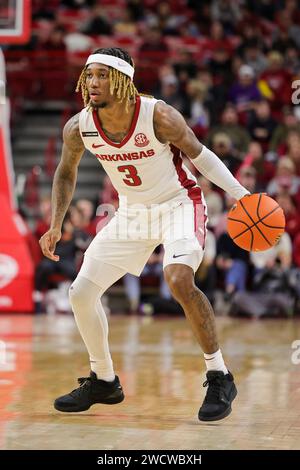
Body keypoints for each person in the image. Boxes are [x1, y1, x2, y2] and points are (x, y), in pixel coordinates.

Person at [39, 47, 250, 421]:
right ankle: (103, 380)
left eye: (102, 75)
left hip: (179, 204)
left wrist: (243, 197)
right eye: (89, 75)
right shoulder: (79, 126)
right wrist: (56, 223)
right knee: (81, 293)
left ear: (122, 80)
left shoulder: (159, 115)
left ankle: (219, 374)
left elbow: (200, 156)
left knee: (179, 278)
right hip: (132, 213)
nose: (92, 82)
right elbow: (65, 172)